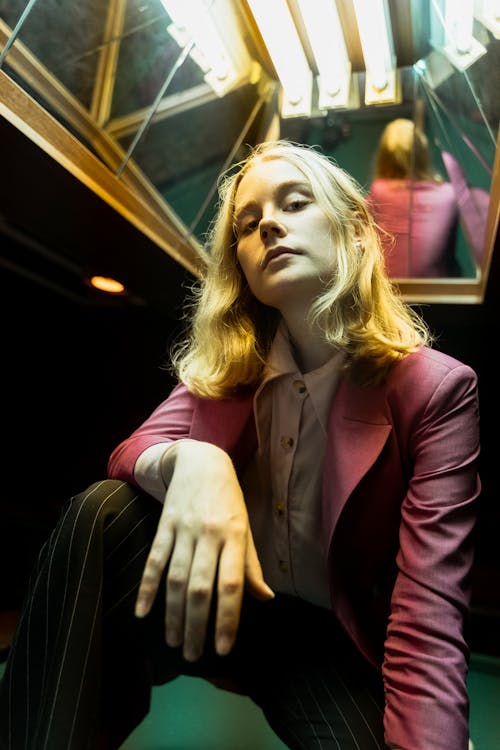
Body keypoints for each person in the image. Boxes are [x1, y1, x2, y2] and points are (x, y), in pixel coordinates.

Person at [0, 140, 480, 750]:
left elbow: (430, 621)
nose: (269, 224)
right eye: (248, 225)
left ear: (356, 231)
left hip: (330, 640)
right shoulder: (233, 367)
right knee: (103, 512)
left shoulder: (436, 390)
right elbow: (134, 448)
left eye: (295, 203)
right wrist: (195, 460)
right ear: (244, 270)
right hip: (213, 605)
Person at [369, 118, 461, 278]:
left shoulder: (379, 191)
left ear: (383, 158)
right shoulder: (449, 195)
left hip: (388, 294)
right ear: (423, 154)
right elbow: (449, 257)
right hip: (436, 293)